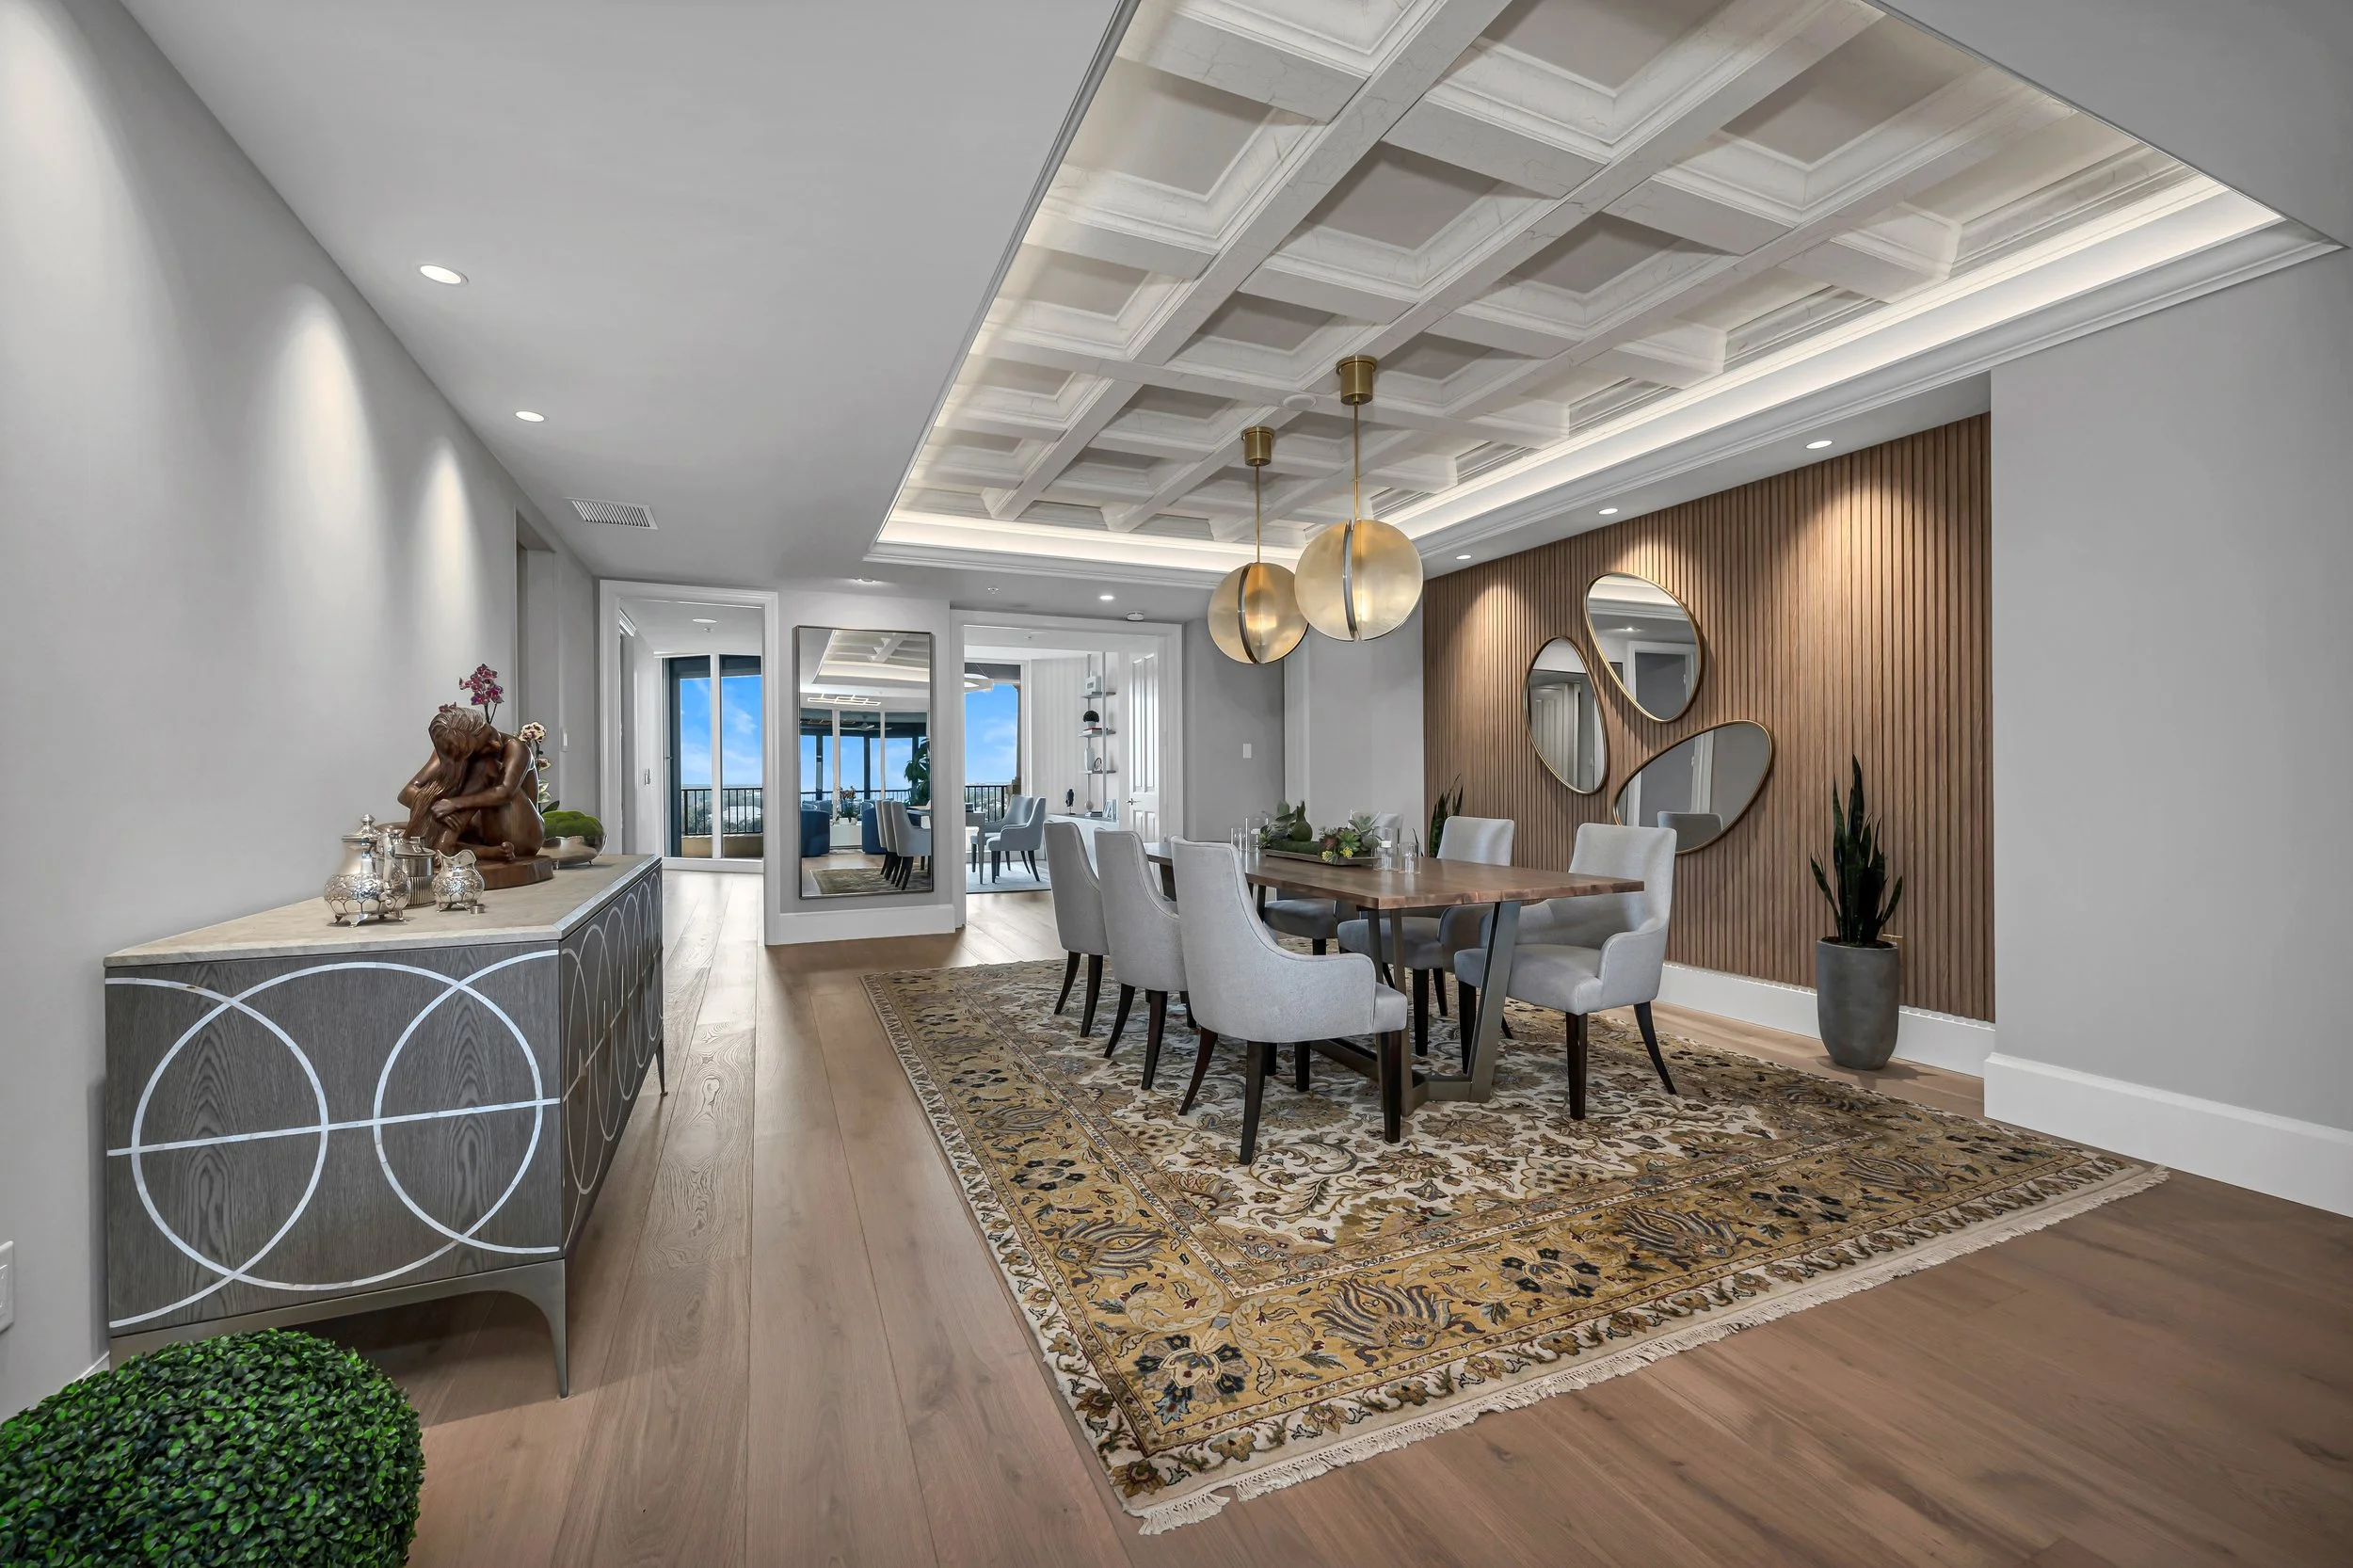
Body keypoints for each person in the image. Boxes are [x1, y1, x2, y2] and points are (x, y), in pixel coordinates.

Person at [399, 704, 546, 861]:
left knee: (485, 765)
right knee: (391, 831)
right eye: (483, 747)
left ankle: (446, 843)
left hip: (520, 834)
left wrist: (454, 804)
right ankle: (483, 851)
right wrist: (436, 808)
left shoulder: (516, 748)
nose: (496, 744)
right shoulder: (453, 751)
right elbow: (407, 792)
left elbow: (504, 792)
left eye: (491, 733)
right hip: (480, 831)